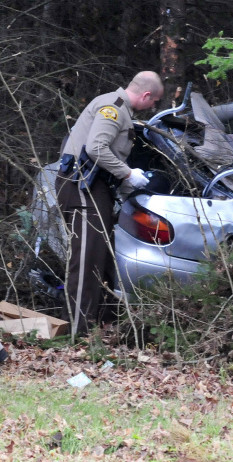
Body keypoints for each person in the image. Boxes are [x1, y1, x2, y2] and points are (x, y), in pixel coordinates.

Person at [55, 71, 164, 336]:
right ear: (146, 95)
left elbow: (107, 156)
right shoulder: (113, 109)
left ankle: (97, 326)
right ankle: (76, 334)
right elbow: (95, 149)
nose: (153, 107)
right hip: (81, 185)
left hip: (95, 188)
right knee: (86, 258)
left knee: (100, 257)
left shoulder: (123, 112)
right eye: (155, 101)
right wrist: (128, 173)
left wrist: (130, 186)